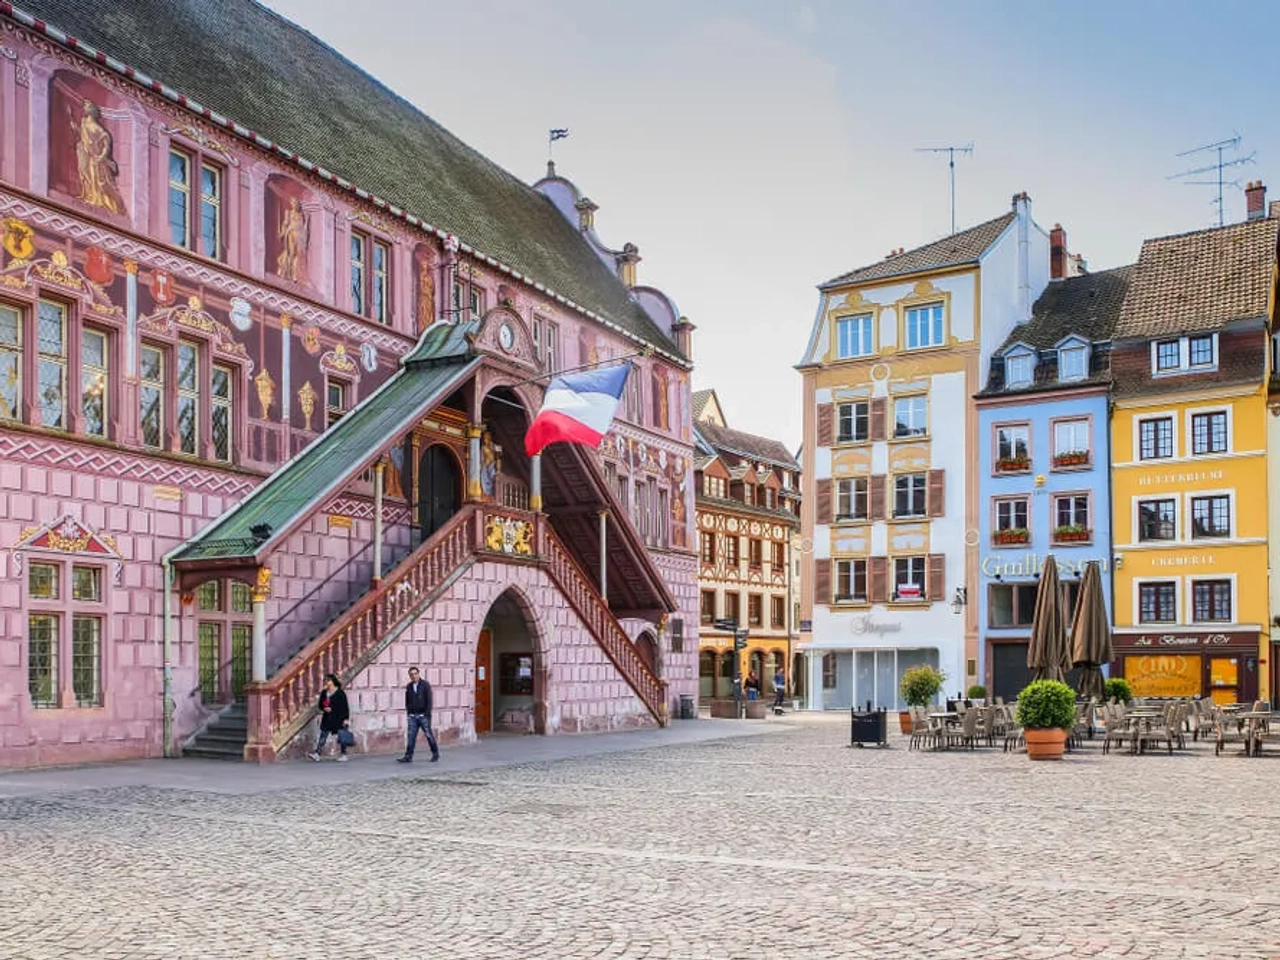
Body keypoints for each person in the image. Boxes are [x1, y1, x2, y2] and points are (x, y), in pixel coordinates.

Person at [397, 666, 439, 763]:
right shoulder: (409, 686)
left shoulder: (425, 685)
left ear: (419, 674)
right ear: (409, 676)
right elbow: (407, 701)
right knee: (411, 736)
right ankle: (408, 756)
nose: (414, 676)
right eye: (411, 674)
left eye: (415, 674)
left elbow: (429, 700)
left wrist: (426, 714)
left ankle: (435, 754)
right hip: (412, 716)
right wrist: (409, 713)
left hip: (423, 716)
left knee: (429, 735)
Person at [309, 674, 350, 762]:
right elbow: (320, 704)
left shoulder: (340, 693)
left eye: (328, 680)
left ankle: (344, 754)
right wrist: (324, 708)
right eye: (325, 681)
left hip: (338, 717)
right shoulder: (324, 693)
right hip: (327, 717)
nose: (326, 682)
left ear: (332, 681)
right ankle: (317, 754)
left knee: (342, 735)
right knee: (323, 734)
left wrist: (346, 718)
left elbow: (345, 706)